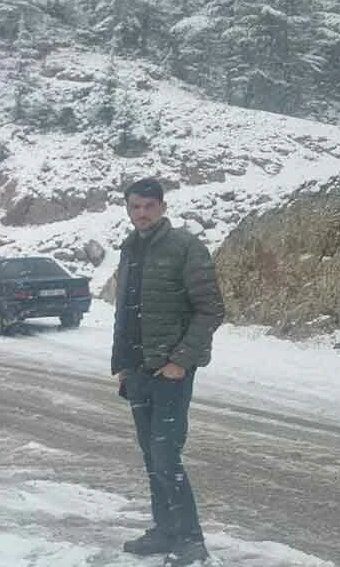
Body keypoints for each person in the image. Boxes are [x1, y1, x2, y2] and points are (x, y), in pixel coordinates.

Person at [111, 178, 224, 567]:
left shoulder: (185, 247)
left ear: (161, 207)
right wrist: (123, 366)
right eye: (134, 207)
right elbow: (124, 312)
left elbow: (210, 309)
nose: (140, 213)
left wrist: (181, 361)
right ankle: (164, 530)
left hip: (170, 372)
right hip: (138, 371)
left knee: (165, 453)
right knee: (150, 454)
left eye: (147, 206)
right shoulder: (130, 249)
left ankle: (191, 541)